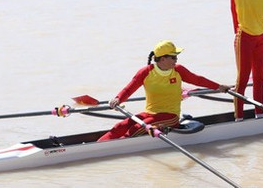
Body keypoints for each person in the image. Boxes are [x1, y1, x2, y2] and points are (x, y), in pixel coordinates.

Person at [98, 40, 230, 141]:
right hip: (149, 113)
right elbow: (129, 89)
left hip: (170, 117)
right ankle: (98, 146)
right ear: (162, 59)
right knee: (119, 126)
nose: (176, 59)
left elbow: (198, 80)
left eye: (176, 56)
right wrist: (118, 99)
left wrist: (218, 87)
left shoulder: (178, 70)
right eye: (173, 56)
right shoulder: (146, 72)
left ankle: (115, 148)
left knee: (136, 128)